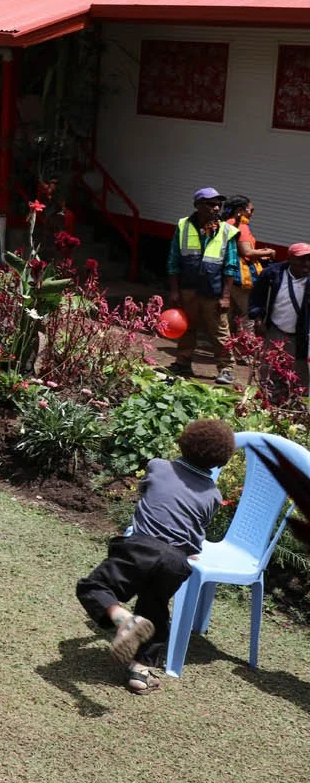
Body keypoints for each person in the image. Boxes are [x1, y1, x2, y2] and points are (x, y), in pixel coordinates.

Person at [76, 417, 234, 694]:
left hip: (141, 547)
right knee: (155, 608)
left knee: (94, 587)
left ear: (183, 441)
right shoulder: (213, 494)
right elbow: (198, 527)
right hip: (176, 561)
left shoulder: (158, 467)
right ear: (220, 462)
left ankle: (123, 620)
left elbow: (147, 492)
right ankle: (141, 672)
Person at [168, 187, 239, 385]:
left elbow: (231, 266)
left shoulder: (226, 231)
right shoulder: (183, 226)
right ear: (197, 205)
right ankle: (183, 362)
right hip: (188, 289)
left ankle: (226, 368)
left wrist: (226, 296)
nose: (216, 208)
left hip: (213, 291)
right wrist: (174, 291)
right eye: (210, 203)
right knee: (186, 327)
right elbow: (173, 261)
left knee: (219, 331)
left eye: (219, 204)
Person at [251, 242, 310, 400]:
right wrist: (258, 319)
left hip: (303, 335)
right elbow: (257, 299)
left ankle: (298, 410)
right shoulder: (272, 274)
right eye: (301, 259)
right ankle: (269, 404)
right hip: (276, 330)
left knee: (300, 376)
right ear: (290, 259)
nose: (306, 263)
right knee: (269, 370)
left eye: (309, 259)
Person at [223, 195, 273, 337]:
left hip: (227, 274)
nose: (252, 213)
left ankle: (224, 347)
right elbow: (246, 251)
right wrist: (269, 252)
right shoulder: (241, 226)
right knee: (247, 313)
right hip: (241, 276)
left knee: (229, 312)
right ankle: (245, 351)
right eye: (251, 210)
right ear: (240, 210)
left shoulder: (226, 223)